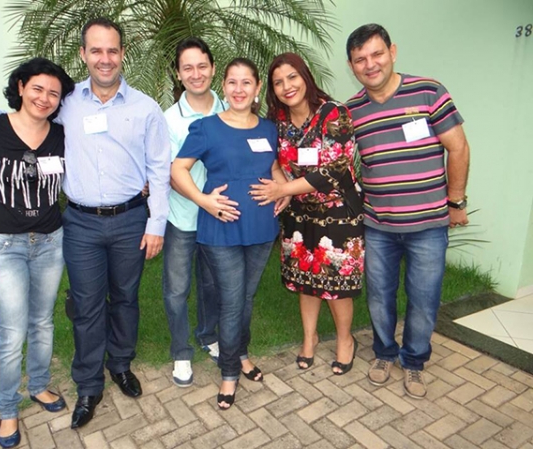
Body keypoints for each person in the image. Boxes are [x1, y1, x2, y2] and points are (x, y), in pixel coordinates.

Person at [0, 17, 171, 427]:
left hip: (132, 217)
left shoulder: (146, 108)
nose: (105, 58)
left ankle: (121, 365)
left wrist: (157, 224)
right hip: (78, 224)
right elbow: (26, 114)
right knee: (86, 306)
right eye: (95, 50)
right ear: (83, 54)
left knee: (126, 299)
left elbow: (160, 170)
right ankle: (89, 385)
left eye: (112, 50)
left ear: (123, 54)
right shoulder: (67, 102)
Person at [345, 24, 470, 399]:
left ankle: (414, 361)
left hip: (429, 224)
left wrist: (456, 202)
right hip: (378, 225)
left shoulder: (429, 91)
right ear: (352, 66)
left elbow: (459, 148)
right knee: (380, 297)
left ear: (392, 51)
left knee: (424, 298)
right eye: (360, 60)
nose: (370, 64)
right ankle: (384, 353)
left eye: (376, 54)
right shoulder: (352, 111)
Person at [0, 57, 75, 448]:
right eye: (38, 89)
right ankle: (8, 410)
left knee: (42, 323)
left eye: (53, 93)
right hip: (3, 245)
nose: (44, 98)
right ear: (22, 87)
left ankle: (40, 385)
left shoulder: (61, 135)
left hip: (49, 242)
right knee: (12, 332)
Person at [171, 58, 289, 409]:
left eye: (247, 83)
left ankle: (241, 355)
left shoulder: (268, 129)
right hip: (220, 228)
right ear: (224, 86)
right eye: (233, 83)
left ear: (257, 90)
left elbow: (273, 166)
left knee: (246, 298)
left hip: (262, 227)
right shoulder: (206, 127)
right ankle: (228, 373)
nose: (239, 90)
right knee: (233, 299)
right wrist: (203, 200)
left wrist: (281, 188)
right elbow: (178, 170)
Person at [249, 53, 364, 375]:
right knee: (306, 280)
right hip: (299, 215)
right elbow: (273, 162)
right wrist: (280, 183)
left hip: (339, 212)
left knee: (335, 281)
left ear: (306, 78)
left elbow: (335, 169)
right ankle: (309, 338)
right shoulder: (279, 123)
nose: (287, 86)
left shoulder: (333, 113)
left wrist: (282, 190)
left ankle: (345, 340)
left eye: (292, 77)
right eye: (278, 82)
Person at [163, 37, 229, 387]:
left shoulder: (230, 110)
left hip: (219, 220)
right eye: (187, 67)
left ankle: (208, 335)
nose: (196, 73)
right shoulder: (169, 119)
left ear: (213, 68)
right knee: (176, 289)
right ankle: (181, 352)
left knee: (212, 284)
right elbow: (172, 173)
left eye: (202, 66)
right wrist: (203, 200)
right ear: (178, 73)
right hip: (183, 218)